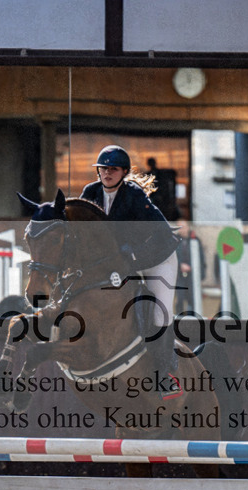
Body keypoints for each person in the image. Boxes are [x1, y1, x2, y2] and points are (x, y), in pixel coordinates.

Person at [79, 145, 181, 386]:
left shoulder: (134, 195)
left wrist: (134, 254)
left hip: (157, 258)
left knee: (160, 311)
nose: (107, 173)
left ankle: (165, 370)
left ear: (124, 172)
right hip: (122, 260)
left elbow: (161, 233)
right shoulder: (91, 192)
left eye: (113, 169)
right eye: (103, 169)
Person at [174, 223, 205, 315]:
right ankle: (179, 317)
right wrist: (180, 265)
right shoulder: (174, 240)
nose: (182, 230)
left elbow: (200, 257)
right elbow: (172, 257)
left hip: (192, 275)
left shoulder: (195, 240)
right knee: (180, 298)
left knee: (192, 298)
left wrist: (193, 268)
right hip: (179, 275)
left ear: (188, 227)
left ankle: (192, 318)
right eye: (180, 227)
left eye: (184, 227)